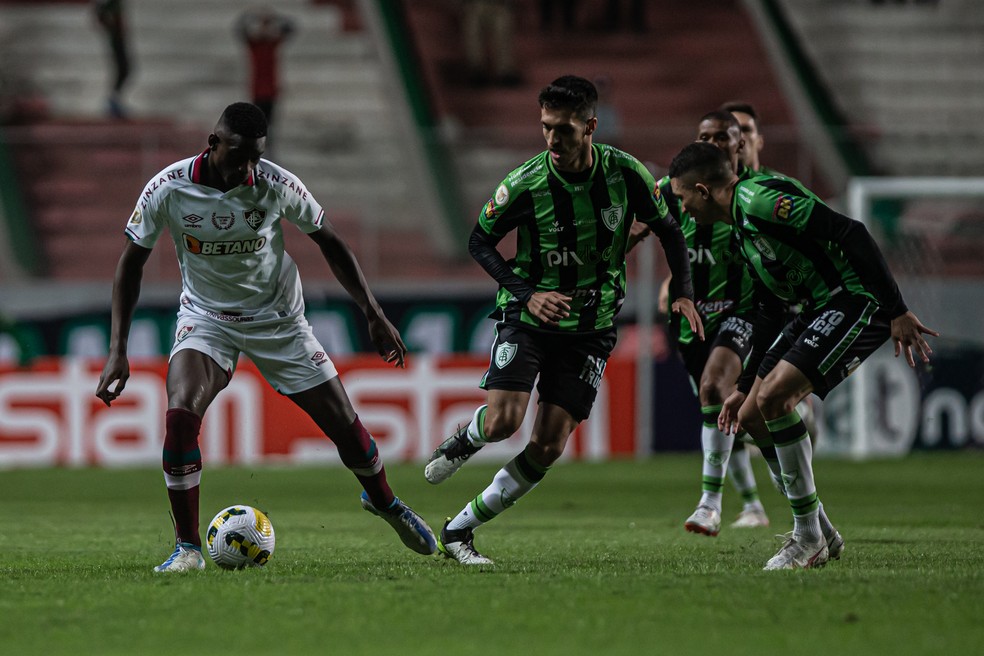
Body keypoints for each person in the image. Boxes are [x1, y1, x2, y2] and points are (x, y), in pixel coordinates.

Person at [94, 102, 436, 572]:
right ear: (213, 144)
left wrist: (373, 313)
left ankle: (385, 502)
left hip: (279, 320)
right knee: (179, 416)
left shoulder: (275, 184)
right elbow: (129, 264)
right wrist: (118, 350)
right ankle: (188, 548)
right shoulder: (167, 189)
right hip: (207, 317)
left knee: (345, 427)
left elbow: (329, 240)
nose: (248, 169)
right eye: (239, 157)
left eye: (256, 157)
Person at [424, 75, 702, 565]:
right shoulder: (525, 182)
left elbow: (669, 230)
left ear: (591, 126)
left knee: (548, 445)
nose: (554, 139)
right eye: (547, 127)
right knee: (503, 422)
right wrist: (528, 295)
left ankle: (459, 530)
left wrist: (683, 291)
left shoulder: (626, 174)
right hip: (528, 317)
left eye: (565, 130)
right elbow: (478, 241)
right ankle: (469, 437)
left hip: (591, 328)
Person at [667, 141, 938, 570]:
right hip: (814, 308)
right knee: (753, 413)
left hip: (853, 300)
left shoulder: (759, 202)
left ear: (702, 190)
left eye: (682, 199)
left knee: (776, 399)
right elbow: (769, 309)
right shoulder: (740, 224)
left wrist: (896, 309)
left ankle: (807, 536)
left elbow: (852, 232)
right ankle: (821, 529)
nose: (683, 209)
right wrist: (742, 386)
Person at [631, 110, 770, 535]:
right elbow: (631, 219)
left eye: (721, 137)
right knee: (726, 413)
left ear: (739, 144)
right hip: (691, 320)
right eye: (703, 136)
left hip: (742, 313)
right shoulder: (673, 189)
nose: (712, 144)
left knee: (717, 391)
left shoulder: (755, 195)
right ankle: (772, 506)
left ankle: (710, 504)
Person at [236, 7, 295, 127]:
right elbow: (240, 29)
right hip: (257, 91)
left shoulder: (272, 44)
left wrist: (274, 18)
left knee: (270, 124)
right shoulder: (255, 45)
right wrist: (253, 15)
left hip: (271, 91)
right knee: (258, 123)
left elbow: (290, 28)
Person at [461, 0, 522, 86]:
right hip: (474, 5)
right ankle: (476, 69)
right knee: (472, 29)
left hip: (499, 5)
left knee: (503, 27)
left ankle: (505, 70)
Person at [93, 0, 131, 118]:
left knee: (125, 69)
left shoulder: (116, 3)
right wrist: (109, 26)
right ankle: (113, 100)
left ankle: (115, 99)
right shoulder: (111, 3)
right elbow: (99, 11)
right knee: (123, 68)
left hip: (119, 37)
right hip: (116, 37)